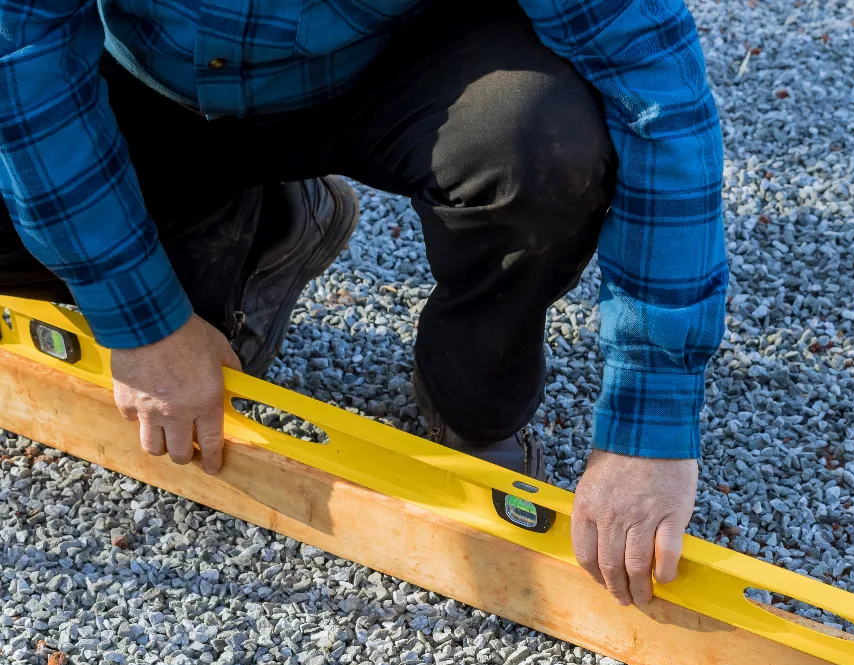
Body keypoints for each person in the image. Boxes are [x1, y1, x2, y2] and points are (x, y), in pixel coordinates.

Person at [0, 0, 727, 606]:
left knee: (542, 146)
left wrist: (649, 425)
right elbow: (22, 62)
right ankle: (268, 230)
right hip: (154, 83)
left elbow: (654, 93)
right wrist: (147, 323)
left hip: (384, 71)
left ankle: (469, 395)